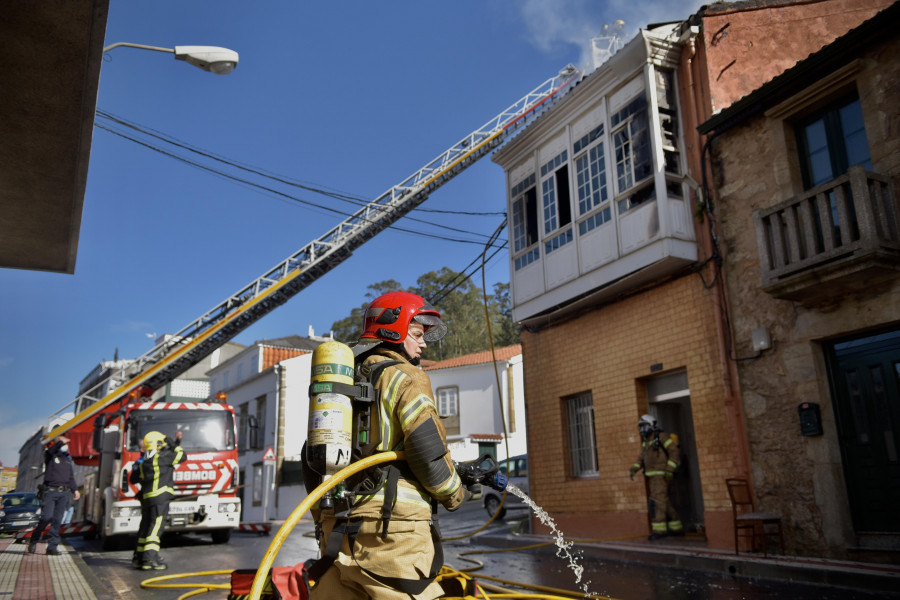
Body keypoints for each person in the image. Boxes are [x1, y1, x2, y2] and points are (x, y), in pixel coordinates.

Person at [308, 291, 467, 600]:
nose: (423, 344)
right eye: (418, 333)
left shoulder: (340, 380)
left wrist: (322, 518)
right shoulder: (406, 376)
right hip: (392, 531)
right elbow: (426, 452)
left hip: (337, 528)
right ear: (393, 330)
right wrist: (456, 492)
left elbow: (311, 455)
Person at [132, 430, 184, 570]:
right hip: (160, 497)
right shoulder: (163, 458)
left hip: (147, 498)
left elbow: (135, 478)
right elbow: (182, 455)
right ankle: (149, 559)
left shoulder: (144, 463)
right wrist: (172, 442)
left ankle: (140, 558)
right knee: (155, 529)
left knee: (146, 527)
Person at [629, 414, 684, 540]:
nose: (642, 430)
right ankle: (677, 527)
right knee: (663, 500)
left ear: (652, 425)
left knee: (657, 501)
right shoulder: (647, 441)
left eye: (645, 427)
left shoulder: (662, 437)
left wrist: (670, 469)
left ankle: (659, 531)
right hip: (652, 476)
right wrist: (634, 468)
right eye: (641, 428)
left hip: (661, 475)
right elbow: (642, 457)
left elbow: (674, 451)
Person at [28, 436, 80, 555]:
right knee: (46, 517)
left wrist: (75, 490)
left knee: (57, 520)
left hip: (64, 493)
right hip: (50, 492)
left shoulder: (67, 460)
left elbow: (70, 477)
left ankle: (52, 547)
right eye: (63, 444)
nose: (65, 445)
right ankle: (34, 539)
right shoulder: (50, 456)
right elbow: (51, 450)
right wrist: (59, 441)